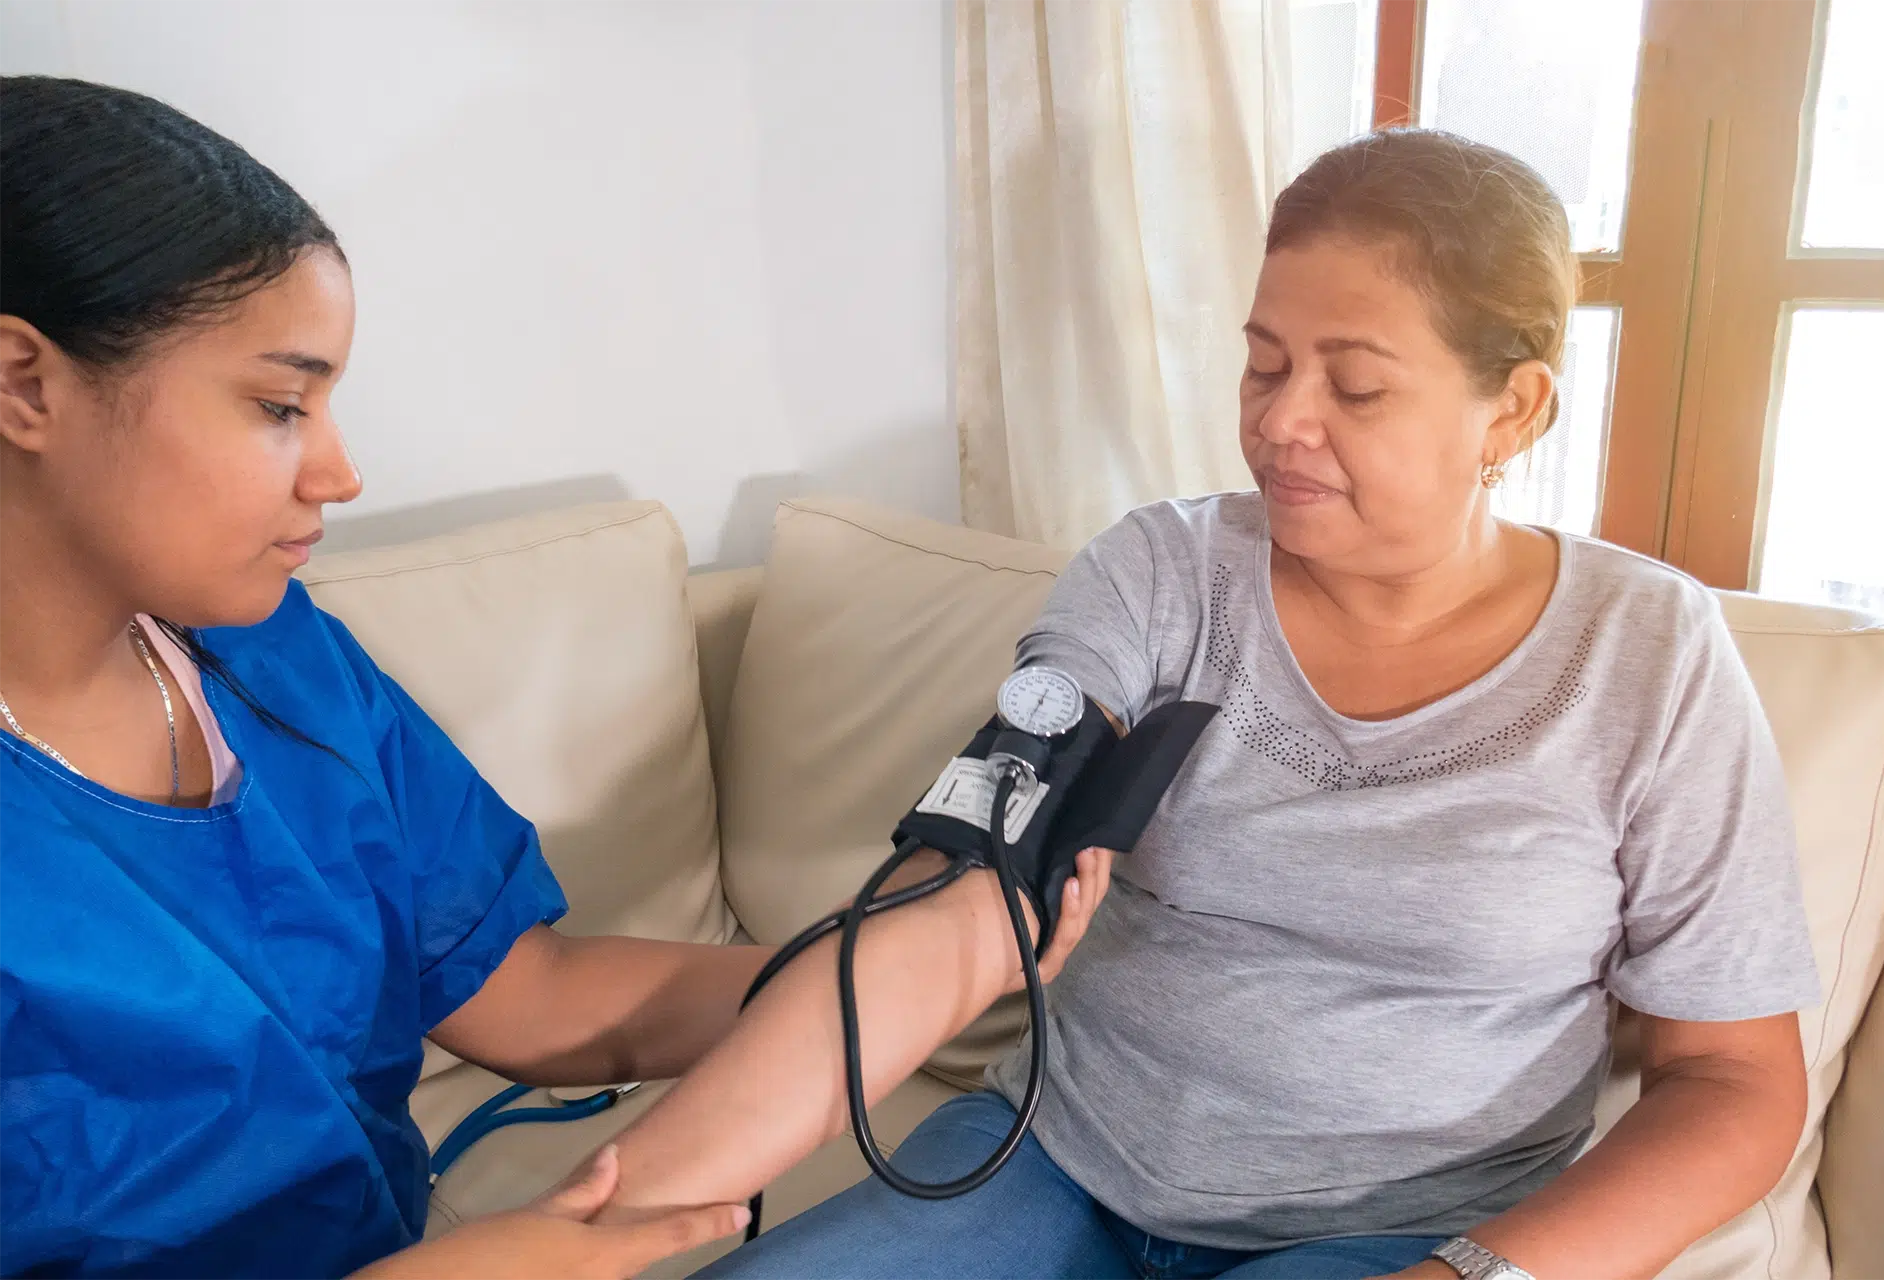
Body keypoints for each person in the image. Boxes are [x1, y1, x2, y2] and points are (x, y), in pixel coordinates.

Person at [567, 130, 1824, 1280]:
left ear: (1515, 405)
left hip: (1398, 1234)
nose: (1282, 422)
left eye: (1357, 386)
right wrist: (589, 1223)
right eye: (1263, 363)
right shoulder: (1160, 576)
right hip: (1054, 1160)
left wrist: (1469, 1277)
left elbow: (1731, 1077)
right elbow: (968, 896)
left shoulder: (1648, 655)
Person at [0, 76, 1110, 1279]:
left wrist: (891, 966)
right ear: (23, 383)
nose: (339, 470)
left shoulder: (275, 660)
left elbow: (536, 995)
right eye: (278, 404)